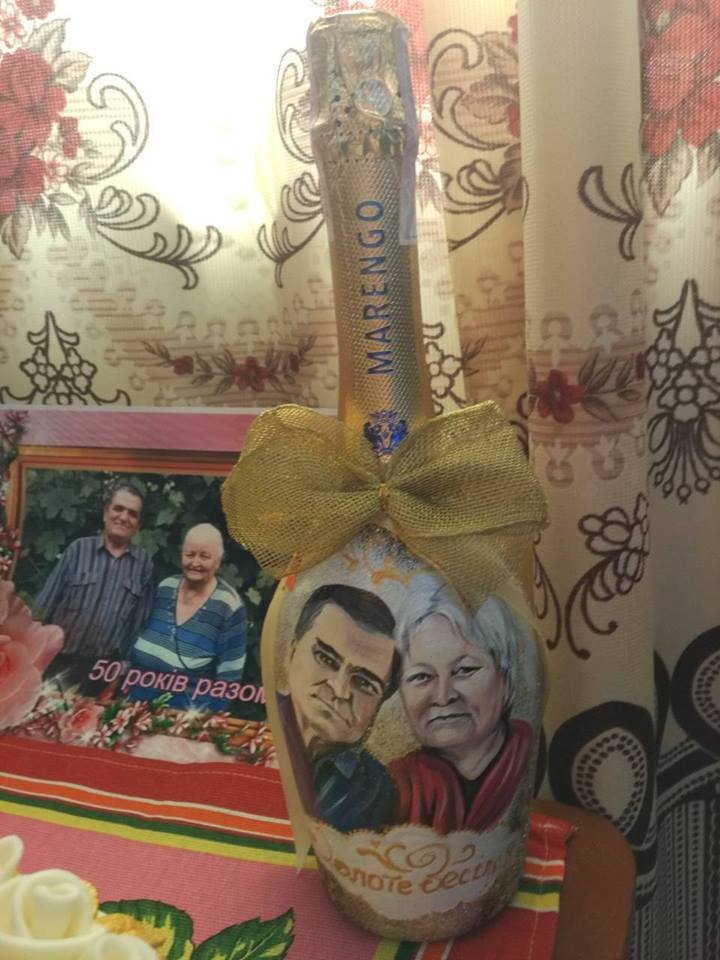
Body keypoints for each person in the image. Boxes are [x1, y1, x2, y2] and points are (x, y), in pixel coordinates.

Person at [389, 586, 532, 834]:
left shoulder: (524, 755)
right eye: (422, 676)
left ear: (505, 680)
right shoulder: (394, 785)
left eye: (465, 670)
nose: (443, 697)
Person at [279, 583, 399, 833]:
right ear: (291, 653)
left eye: (364, 683)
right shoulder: (249, 725)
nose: (340, 690)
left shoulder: (376, 790)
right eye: (326, 659)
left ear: (378, 706)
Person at [35, 482, 154, 678]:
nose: (124, 517)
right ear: (106, 514)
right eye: (118, 508)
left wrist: (124, 667)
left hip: (104, 672)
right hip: (57, 663)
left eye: (132, 514)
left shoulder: (144, 565)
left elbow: (139, 624)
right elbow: (44, 606)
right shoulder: (78, 550)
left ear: (138, 525)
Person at [127, 523, 247, 708]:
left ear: (218, 561)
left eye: (204, 556)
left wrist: (205, 719)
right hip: (135, 706)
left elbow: (229, 678)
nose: (195, 563)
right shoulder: (166, 587)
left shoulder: (228, 606)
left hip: (183, 716)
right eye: (189, 554)